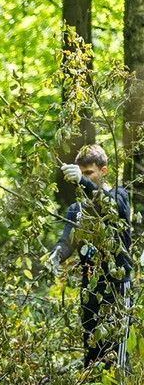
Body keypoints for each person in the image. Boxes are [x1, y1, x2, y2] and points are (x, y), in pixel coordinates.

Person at [48, 145, 132, 368]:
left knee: (116, 354)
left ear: (103, 171)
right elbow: (67, 240)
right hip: (90, 288)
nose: (83, 178)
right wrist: (56, 256)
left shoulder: (119, 195)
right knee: (92, 351)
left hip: (116, 288)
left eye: (88, 173)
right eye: (80, 173)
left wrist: (84, 184)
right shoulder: (76, 209)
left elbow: (109, 207)